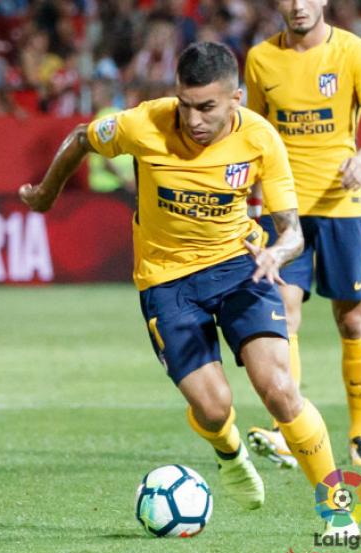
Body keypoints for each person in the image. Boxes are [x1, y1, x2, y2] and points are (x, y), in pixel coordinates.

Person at [19, 41, 344, 526]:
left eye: (207, 108)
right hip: (167, 281)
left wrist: (279, 250)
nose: (192, 120)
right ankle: (230, 452)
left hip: (241, 267)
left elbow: (293, 230)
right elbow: (83, 137)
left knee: (278, 388)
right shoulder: (143, 123)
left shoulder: (260, 138)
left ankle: (339, 514)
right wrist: (46, 193)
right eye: (186, 105)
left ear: (236, 99)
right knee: (214, 409)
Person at [244, 0, 361, 469]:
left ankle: (360, 434)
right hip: (284, 212)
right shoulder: (260, 58)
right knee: (284, 315)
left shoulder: (354, 52)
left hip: (342, 208)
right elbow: (254, 131)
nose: (297, 5)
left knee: (351, 320)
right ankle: (289, 430)